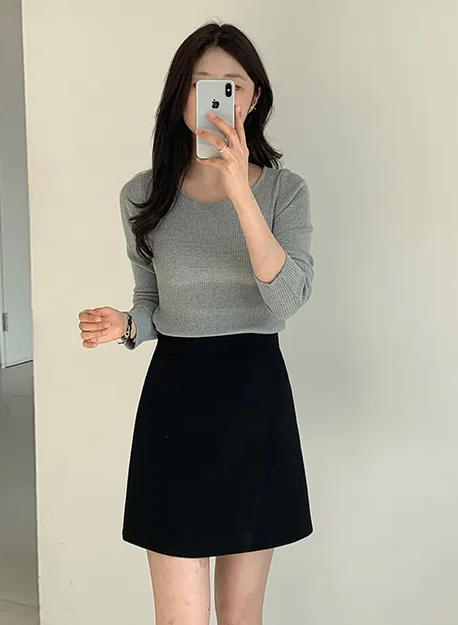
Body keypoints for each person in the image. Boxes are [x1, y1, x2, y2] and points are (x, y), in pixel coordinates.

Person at [78, 20, 314, 625]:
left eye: (232, 84)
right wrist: (127, 324)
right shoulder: (142, 195)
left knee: (241, 616)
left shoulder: (284, 192)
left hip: (255, 401)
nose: (216, 97)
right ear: (180, 94)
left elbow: (287, 299)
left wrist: (240, 189)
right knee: (179, 617)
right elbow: (152, 302)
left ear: (252, 98)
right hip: (176, 405)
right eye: (200, 83)